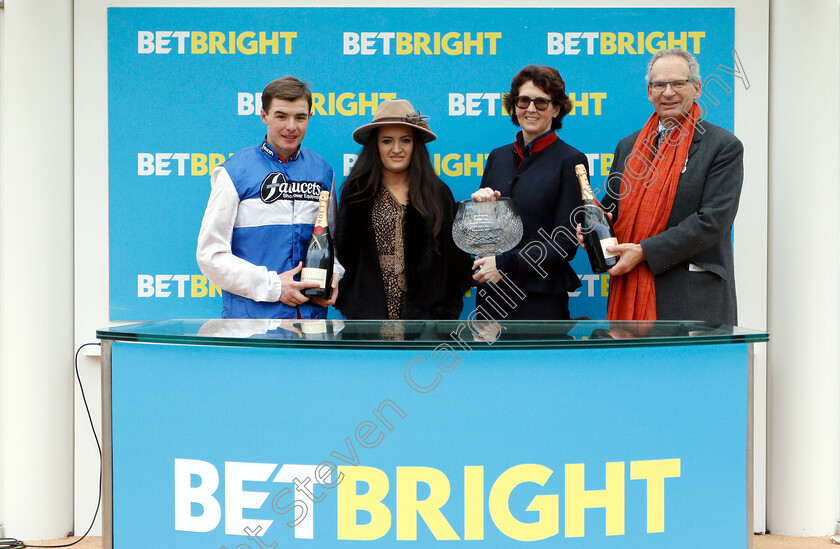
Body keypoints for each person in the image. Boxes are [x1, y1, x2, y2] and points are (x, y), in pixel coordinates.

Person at [597, 48, 743, 324]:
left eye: (678, 83)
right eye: (659, 85)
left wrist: (644, 252)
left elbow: (712, 222)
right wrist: (595, 229)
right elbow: (612, 208)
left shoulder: (722, 146)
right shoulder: (629, 147)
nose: (668, 92)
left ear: (697, 88)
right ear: (649, 92)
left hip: (692, 301)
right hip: (631, 292)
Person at [196, 76, 341, 319]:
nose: (291, 126)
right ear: (264, 116)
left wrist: (334, 274)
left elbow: (335, 246)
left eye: (300, 117)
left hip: (310, 322)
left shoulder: (323, 172)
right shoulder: (235, 172)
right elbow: (210, 255)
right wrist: (274, 287)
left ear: (310, 117)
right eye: (281, 116)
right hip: (252, 327)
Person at [334, 99, 472, 319]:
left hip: (427, 325)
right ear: (375, 145)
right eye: (387, 141)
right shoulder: (357, 193)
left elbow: (454, 261)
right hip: (369, 320)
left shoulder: (437, 193)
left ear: (415, 145)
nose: (396, 149)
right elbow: (345, 256)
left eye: (405, 141)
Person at [471, 65, 586, 320]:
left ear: (556, 109)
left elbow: (565, 243)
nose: (531, 109)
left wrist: (506, 263)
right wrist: (479, 212)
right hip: (492, 295)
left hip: (539, 299)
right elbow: (481, 235)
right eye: (524, 101)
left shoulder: (571, 160)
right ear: (514, 106)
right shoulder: (497, 156)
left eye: (541, 102)